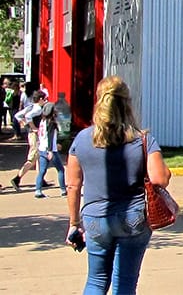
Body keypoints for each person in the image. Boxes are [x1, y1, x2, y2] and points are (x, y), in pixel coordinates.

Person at [65, 76, 171, 294]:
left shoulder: (82, 139)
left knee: (95, 280)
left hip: (94, 218)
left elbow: (73, 185)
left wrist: (74, 223)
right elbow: (160, 179)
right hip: (132, 217)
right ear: (127, 103)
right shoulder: (142, 139)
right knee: (125, 282)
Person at [10, 91, 46, 191]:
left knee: (38, 156)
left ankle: (41, 179)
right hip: (34, 134)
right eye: (44, 99)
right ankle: (17, 178)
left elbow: (18, 115)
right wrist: (33, 127)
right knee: (33, 157)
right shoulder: (38, 109)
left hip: (31, 134)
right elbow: (28, 116)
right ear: (40, 99)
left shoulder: (30, 106)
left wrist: (24, 124)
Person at [34, 102, 67, 198]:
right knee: (60, 169)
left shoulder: (42, 121)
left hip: (42, 148)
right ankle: (63, 190)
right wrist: (50, 150)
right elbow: (50, 136)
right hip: (51, 150)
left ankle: (38, 191)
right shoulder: (51, 122)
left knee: (42, 171)